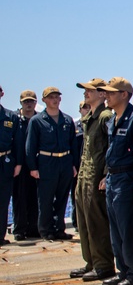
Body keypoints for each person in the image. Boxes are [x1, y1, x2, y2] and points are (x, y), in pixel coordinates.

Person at [98, 78, 133, 285]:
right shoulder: (113, 120)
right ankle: (123, 270)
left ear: (124, 95)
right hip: (114, 179)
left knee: (130, 229)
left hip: (128, 180)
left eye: (111, 93)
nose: (106, 96)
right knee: (116, 229)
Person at [71, 79, 115, 281]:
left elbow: (110, 147)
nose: (86, 93)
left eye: (90, 90)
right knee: (84, 221)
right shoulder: (88, 117)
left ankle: (103, 264)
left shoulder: (105, 117)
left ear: (102, 94)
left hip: (96, 176)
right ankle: (90, 261)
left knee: (97, 222)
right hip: (84, 176)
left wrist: (107, 174)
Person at [25, 87, 79, 240]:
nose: (54, 100)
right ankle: (46, 230)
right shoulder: (37, 121)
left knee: (62, 198)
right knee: (46, 199)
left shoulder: (67, 120)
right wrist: (33, 167)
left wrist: (73, 165)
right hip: (46, 162)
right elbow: (30, 146)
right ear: (44, 100)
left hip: (65, 162)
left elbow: (73, 144)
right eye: (51, 97)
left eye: (57, 97)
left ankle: (59, 229)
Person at [12, 90, 41, 240]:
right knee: (19, 198)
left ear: (36, 102)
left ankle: (34, 228)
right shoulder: (15, 119)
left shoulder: (40, 119)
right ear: (21, 103)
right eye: (25, 102)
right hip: (20, 165)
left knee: (35, 198)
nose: (28, 104)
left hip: (37, 165)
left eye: (31, 101)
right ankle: (19, 229)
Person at [0, 84, 23, 245]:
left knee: (3, 201)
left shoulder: (10, 117)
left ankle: (0, 236)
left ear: (2, 94)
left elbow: (18, 143)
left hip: (5, 162)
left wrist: (19, 163)